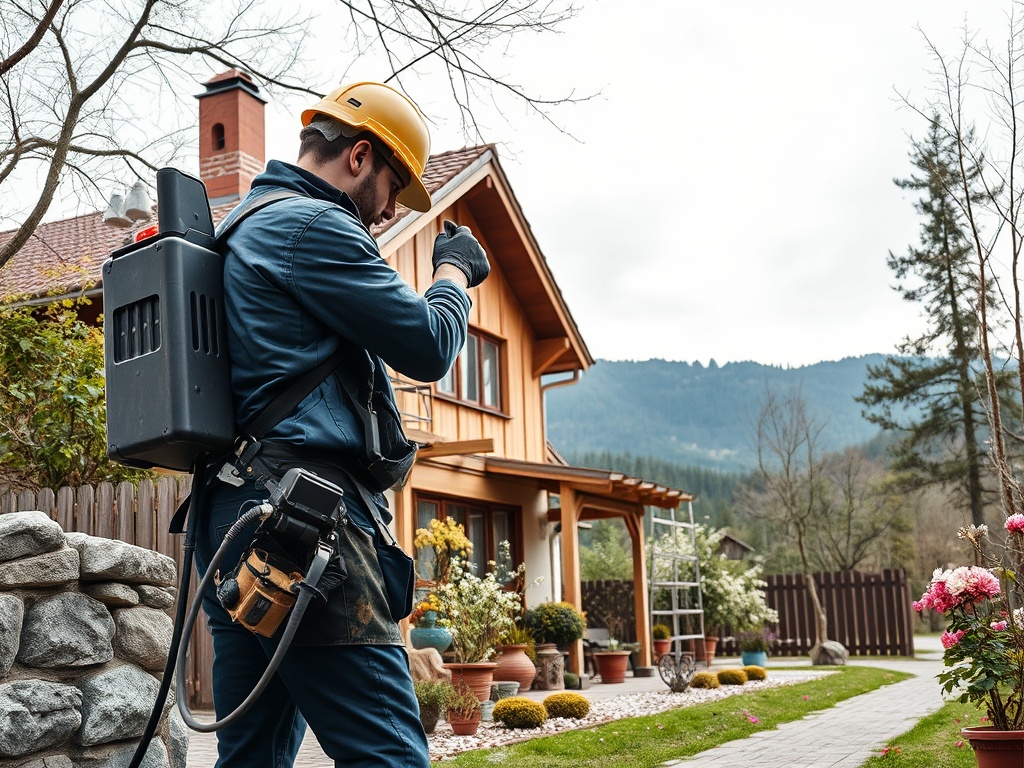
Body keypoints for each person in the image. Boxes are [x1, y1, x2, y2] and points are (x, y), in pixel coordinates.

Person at [192, 81, 490, 767]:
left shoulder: (245, 223)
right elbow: (426, 343)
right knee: (387, 754)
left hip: (236, 519)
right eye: (393, 190)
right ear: (359, 157)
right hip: (301, 526)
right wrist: (451, 274)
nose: (388, 213)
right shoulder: (312, 226)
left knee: (253, 756)